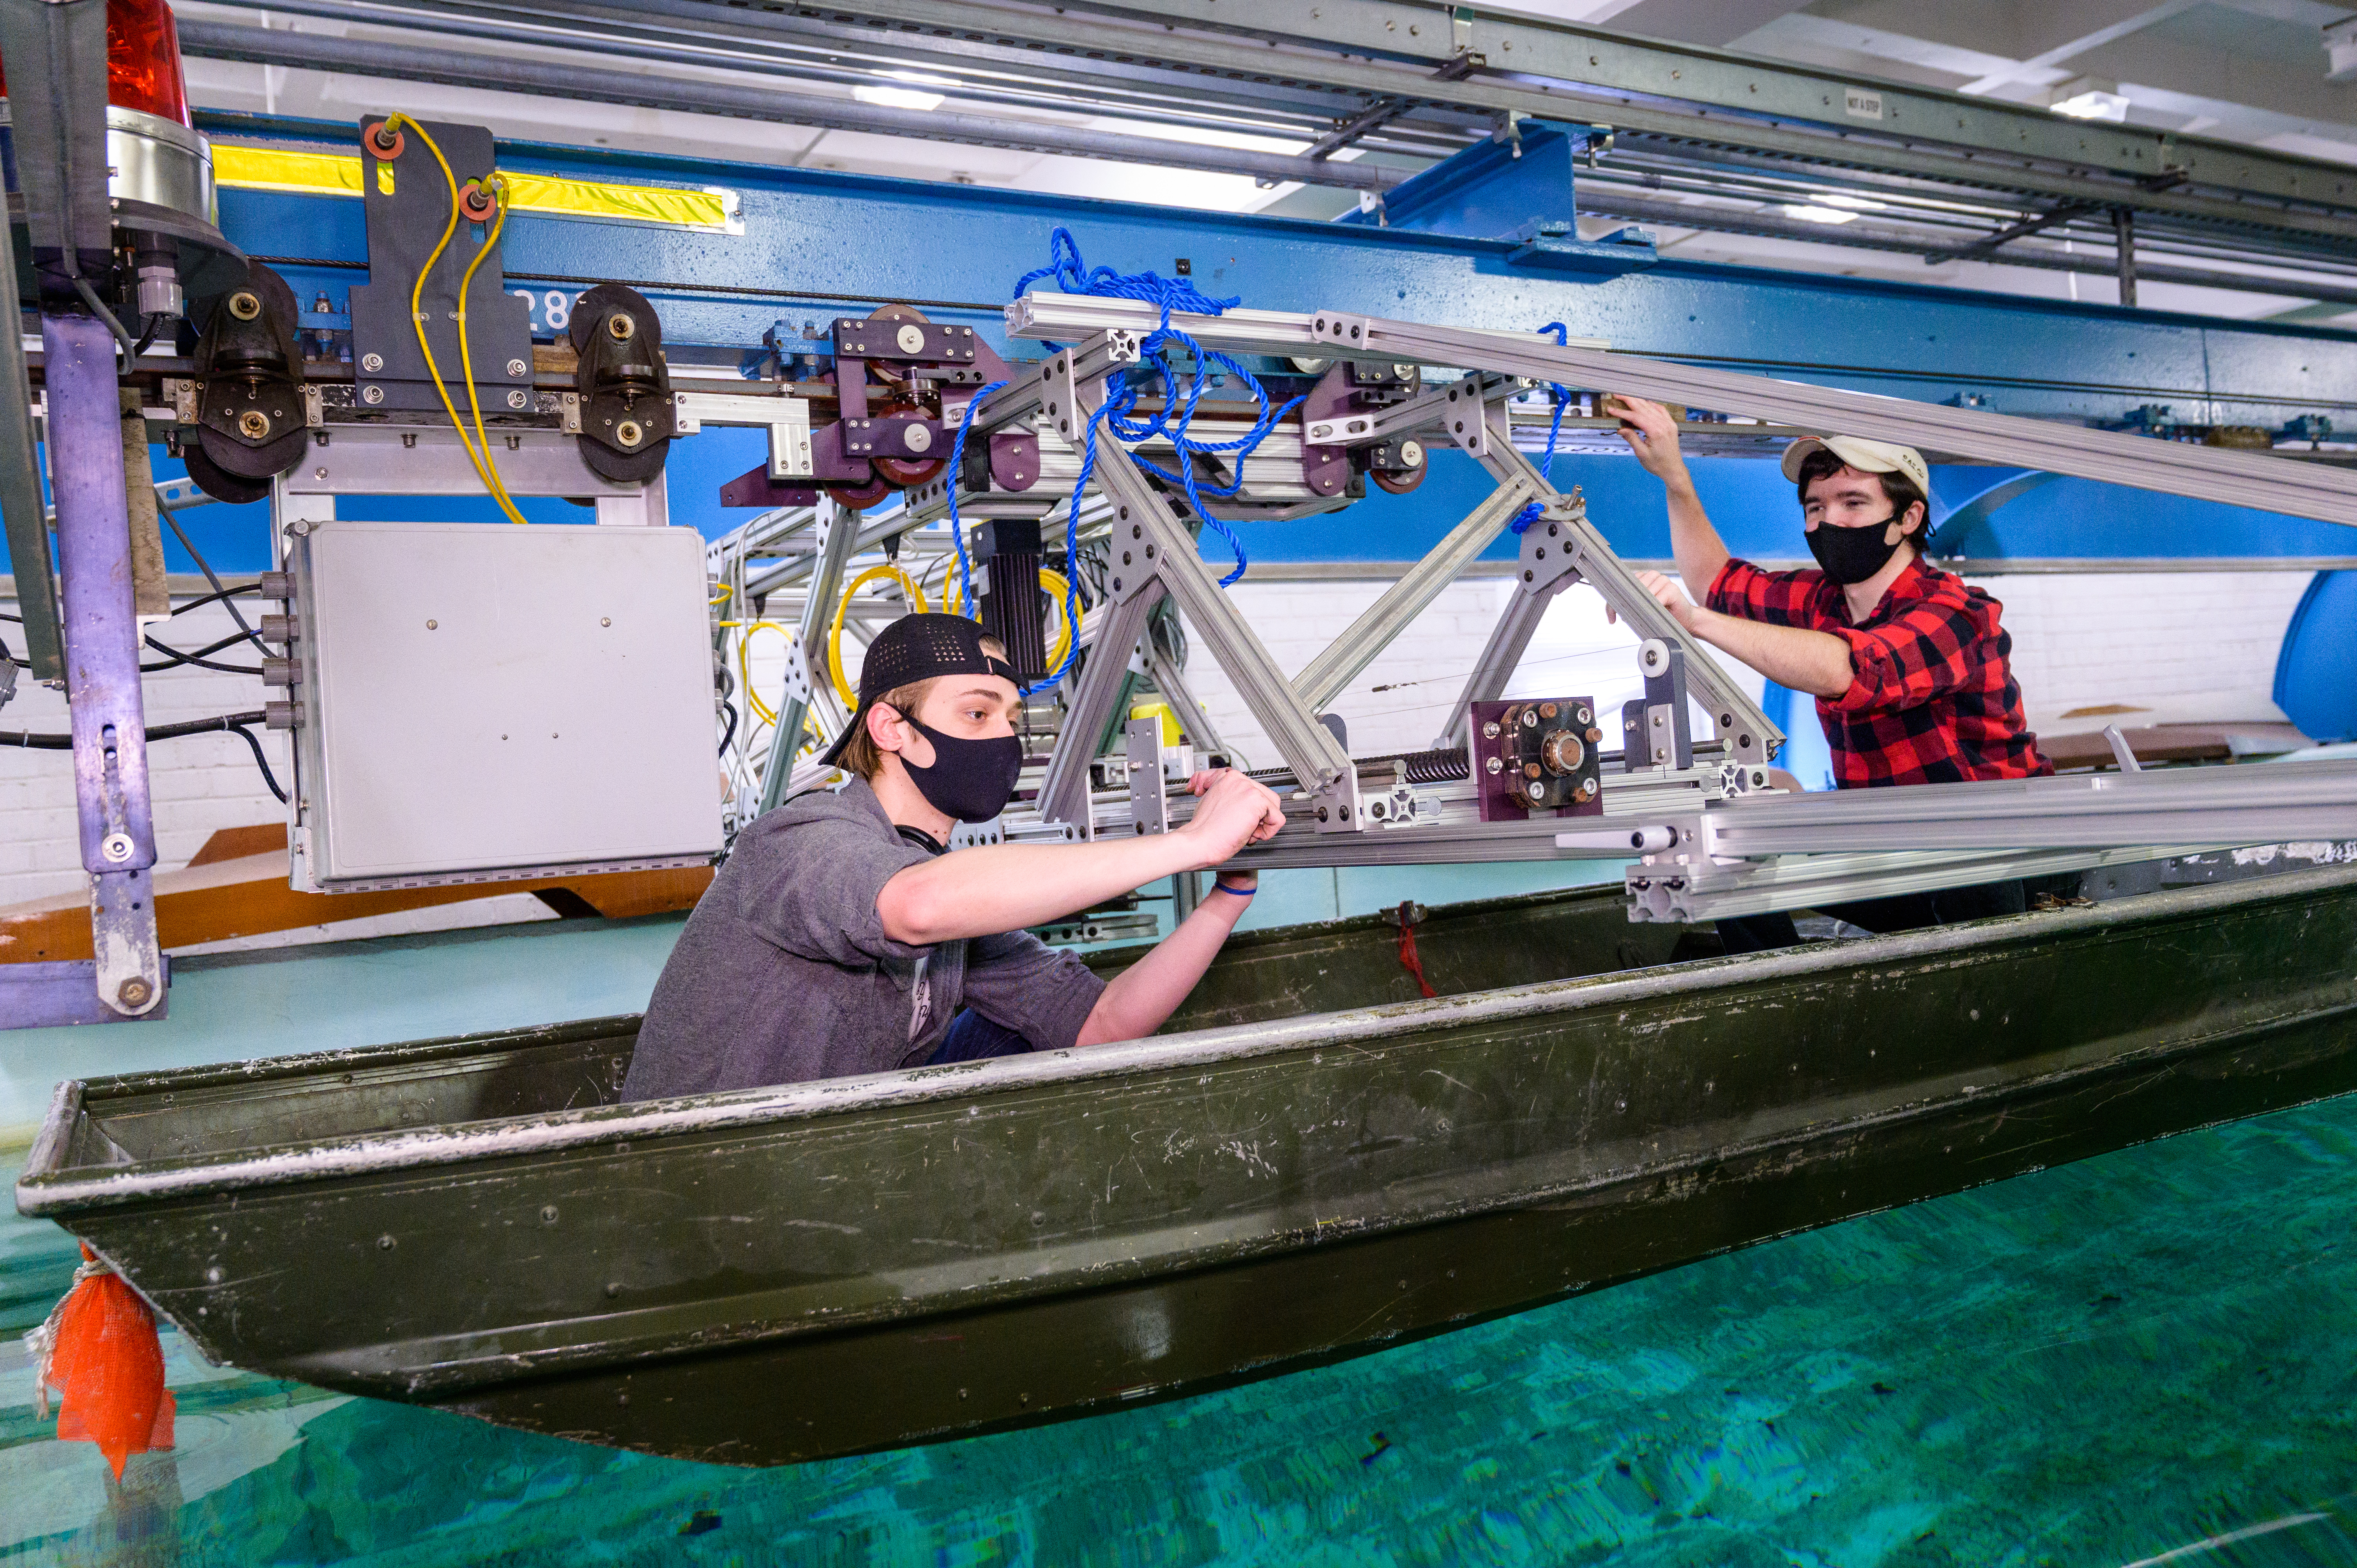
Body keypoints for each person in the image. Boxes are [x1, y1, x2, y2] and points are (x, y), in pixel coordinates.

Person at [621, 613, 1287, 1099]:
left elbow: (1102, 1023)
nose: (1004, 738)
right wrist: (1187, 843)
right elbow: (918, 905)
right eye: (977, 714)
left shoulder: (945, 899)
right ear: (891, 728)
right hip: (698, 1184)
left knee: (1027, 1039)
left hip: (829, 1168)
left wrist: (1228, 890)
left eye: (1011, 720)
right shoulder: (799, 839)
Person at [1608, 395, 2051, 947]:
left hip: (2011, 864)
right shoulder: (1823, 600)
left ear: (1908, 518)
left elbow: (1854, 668)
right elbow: (1716, 583)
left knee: (1975, 871)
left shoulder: (1957, 613)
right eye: (1815, 507)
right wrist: (1675, 477)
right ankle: (1775, 978)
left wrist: (1694, 622)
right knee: (1730, 830)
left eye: (1853, 503)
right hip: (1898, 854)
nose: (1829, 521)